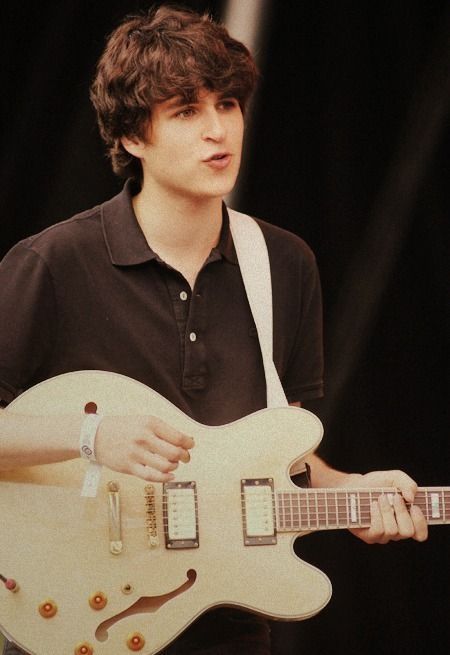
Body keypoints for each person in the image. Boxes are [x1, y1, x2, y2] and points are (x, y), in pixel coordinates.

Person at [0, 6, 428, 655]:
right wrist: (90, 435)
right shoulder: (51, 264)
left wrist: (351, 492)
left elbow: (277, 452)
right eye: (185, 111)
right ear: (133, 135)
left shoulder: (284, 264)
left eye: (227, 104)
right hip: (83, 617)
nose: (218, 131)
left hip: (227, 624)